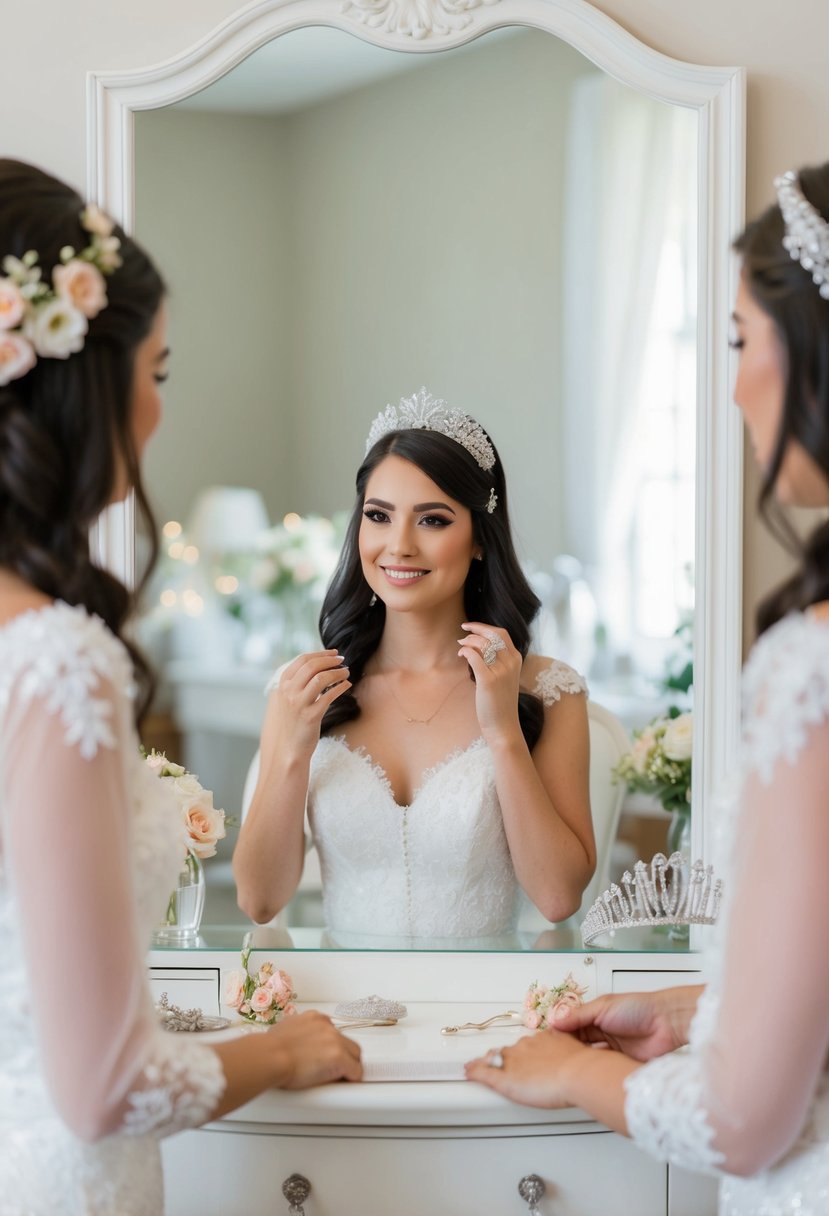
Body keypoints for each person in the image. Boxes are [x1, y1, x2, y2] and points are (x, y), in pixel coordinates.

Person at [466, 161, 829, 1212]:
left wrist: (577, 1073)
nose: (729, 387)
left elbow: (739, 1122)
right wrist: (707, 1008)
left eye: (735, 340)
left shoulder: (808, 667)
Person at [0, 159, 361, 1216]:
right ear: (80, 384)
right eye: (156, 372)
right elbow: (109, 1085)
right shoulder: (54, 658)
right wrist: (282, 1051)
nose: (157, 411)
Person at [234, 387, 596, 942]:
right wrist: (293, 752)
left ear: (479, 539)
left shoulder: (548, 691)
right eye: (379, 516)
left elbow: (556, 897)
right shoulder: (306, 690)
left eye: (432, 521)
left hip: (487, 1015)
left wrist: (502, 732)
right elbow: (259, 901)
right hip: (339, 1014)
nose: (398, 545)